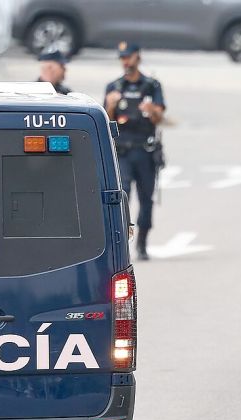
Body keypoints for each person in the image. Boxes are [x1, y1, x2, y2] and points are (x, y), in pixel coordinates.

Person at [105, 42, 165, 261]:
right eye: (122, 58)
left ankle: (142, 242)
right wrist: (111, 106)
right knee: (123, 199)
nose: (125, 61)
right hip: (122, 152)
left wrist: (151, 111)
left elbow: (160, 119)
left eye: (128, 57)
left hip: (145, 150)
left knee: (146, 199)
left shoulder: (151, 86)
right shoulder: (114, 86)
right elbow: (107, 121)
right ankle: (123, 242)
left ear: (137, 57)